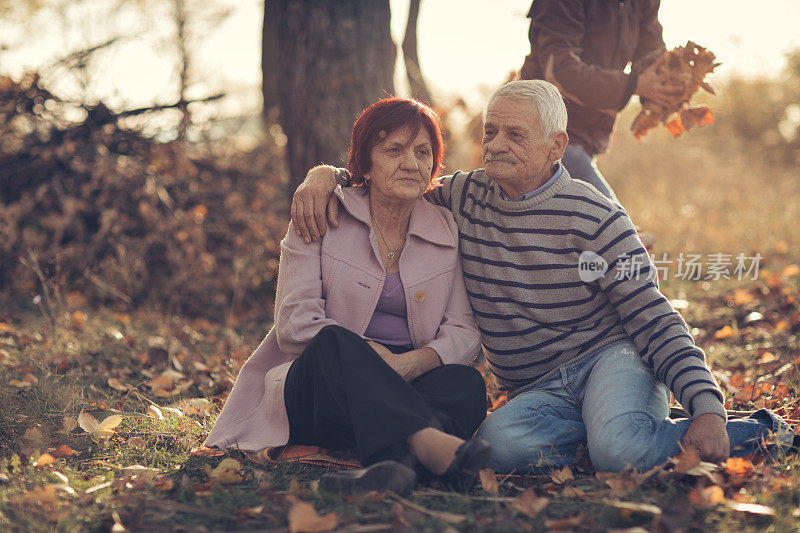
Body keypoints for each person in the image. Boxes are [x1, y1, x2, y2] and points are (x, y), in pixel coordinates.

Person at [290, 80, 794, 474]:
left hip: (610, 359)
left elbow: (654, 318)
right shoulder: (463, 198)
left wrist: (705, 406)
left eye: (515, 134)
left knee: (617, 452)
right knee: (496, 450)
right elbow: (394, 173)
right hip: (538, 387)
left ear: (557, 145)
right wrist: (324, 176)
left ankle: (766, 432)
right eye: (490, 131)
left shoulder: (596, 217)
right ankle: (615, 429)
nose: (496, 144)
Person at [205, 97, 491, 493]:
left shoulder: (445, 229)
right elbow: (294, 325)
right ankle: (428, 443)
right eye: (394, 150)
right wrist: (372, 362)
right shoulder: (320, 212)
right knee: (333, 341)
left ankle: (393, 469)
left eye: (423, 152)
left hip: (403, 385)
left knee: (466, 383)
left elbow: (462, 330)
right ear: (365, 163)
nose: (411, 163)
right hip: (319, 394)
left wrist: (406, 366)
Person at [519, 0, 684, 201]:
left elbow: (651, 57)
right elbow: (561, 73)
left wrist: (670, 86)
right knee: (616, 228)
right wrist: (635, 85)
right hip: (542, 139)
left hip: (584, 142)